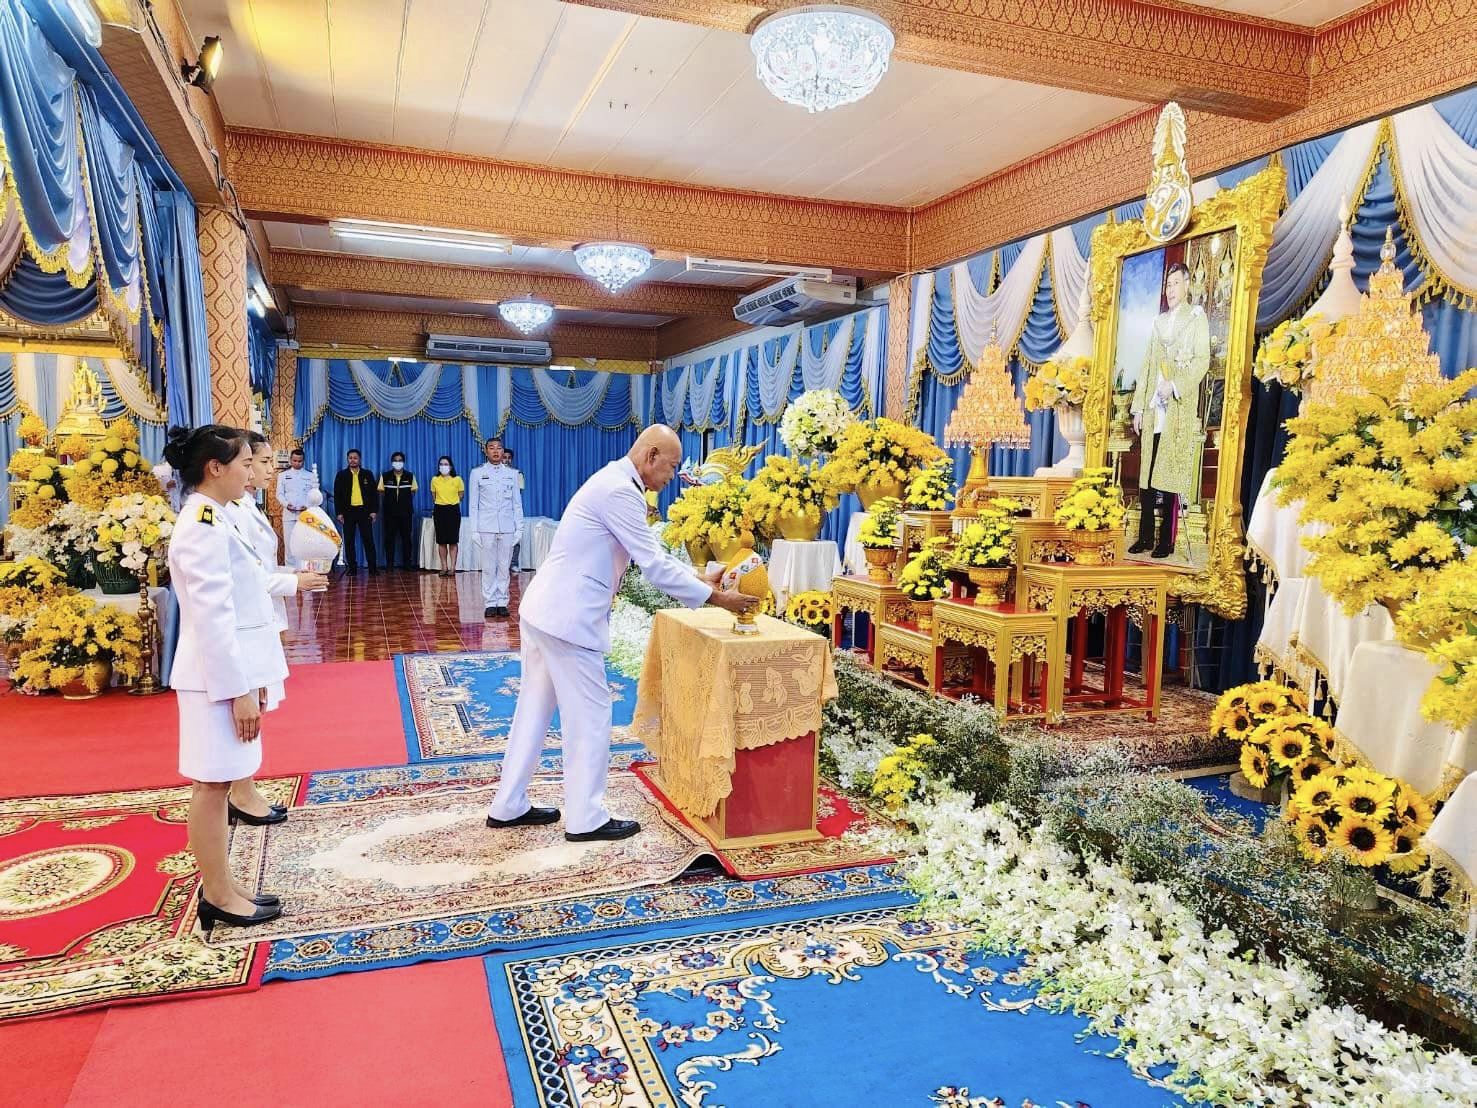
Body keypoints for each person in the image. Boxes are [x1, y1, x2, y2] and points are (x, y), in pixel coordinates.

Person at [486, 425, 757, 842]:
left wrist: (700, 576)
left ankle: (508, 804)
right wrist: (716, 598)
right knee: (591, 715)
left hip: (547, 610)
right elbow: (652, 564)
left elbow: (650, 554)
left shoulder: (613, 481)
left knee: (534, 709)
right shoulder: (620, 491)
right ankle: (585, 818)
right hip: (568, 618)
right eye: (670, 466)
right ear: (650, 456)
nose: (672, 476)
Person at [165, 426, 287, 927]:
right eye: (242, 464)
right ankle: (216, 893)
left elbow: (246, 600)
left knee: (217, 784)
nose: (250, 473)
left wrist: (253, 678)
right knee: (212, 787)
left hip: (230, 672)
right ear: (215, 468)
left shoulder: (218, 516)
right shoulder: (200, 525)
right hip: (213, 680)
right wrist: (238, 691)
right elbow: (214, 619)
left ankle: (225, 882)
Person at [226, 432, 329, 823]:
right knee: (246, 707)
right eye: (266, 461)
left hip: (263, 615)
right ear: (245, 465)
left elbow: (263, 568)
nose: (274, 469)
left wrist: (291, 573)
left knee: (258, 703)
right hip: (247, 620)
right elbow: (245, 578)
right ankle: (241, 792)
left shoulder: (248, 505)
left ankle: (244, 787)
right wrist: (293, 582)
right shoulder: (231, 511)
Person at [1130, 262, 1209, 559]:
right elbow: (1148, 365)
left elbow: (1202, 361)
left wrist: (1175, 384)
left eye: (1175, 283)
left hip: (1177, 408)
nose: (1171, 290)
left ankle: (1167, 540)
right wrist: (1138, 408)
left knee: (1172, 476)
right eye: (1168, 285)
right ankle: (1145, 537)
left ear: (1187, 284)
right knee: (1148, 476)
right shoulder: (1158, 322)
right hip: (1153, 409)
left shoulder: (1196, 319)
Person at [469, 438, 522, 618]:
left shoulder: (512, 474)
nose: (496, 451)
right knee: (488, 567)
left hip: (507, 526)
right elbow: (473, 505)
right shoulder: (477, 473)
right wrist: (474, 530)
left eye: (499, 448)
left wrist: (519, 529)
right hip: (486, 527)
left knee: (504, 566)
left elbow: (517, 504)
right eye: (492, 448)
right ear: (486, 451)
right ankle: (490, 602)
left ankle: (502, 601)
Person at [333, 448, 379, 575]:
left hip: (364, 512)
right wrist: (339, 513)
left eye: (355, 458)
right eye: (350, 458)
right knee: (349, 541)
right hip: (348, 512)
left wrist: (374, 511)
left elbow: (374, 494)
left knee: (368, 540)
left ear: (360, 459)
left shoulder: (367, 474)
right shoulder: (341, 475)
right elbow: (337, 495)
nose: (352, 460)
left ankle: (373, 568)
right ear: (347, 459)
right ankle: (352, 568)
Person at [275, 448, 317, 567]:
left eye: (300, 461)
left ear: (303, 461)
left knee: (304, 542)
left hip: (305, 514)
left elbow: (314, 494)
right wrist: (287, 505)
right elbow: (279, 494)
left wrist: (307, 505)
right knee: (289, 545)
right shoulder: (283, 475)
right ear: (290, 460)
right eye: (294, 460)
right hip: (289, 515)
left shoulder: (310, 475)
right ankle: (291, 572)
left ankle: (304, 569)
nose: (297, 463)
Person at [378, 450, 418, 570]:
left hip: (406, 513)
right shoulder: (385, 476)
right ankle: (389, 564)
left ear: (404, 462)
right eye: (395, 460)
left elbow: (413, 491)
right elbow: (381, 491)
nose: (398, 463)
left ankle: (407, 564)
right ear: (392, 462)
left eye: (400, 461)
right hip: (390, 513)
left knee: (406, 539)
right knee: (389, 538)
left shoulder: (410, 476)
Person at [430, 455, 464, 577]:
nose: (443, 466)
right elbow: (434, 496)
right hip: (439, 510)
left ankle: (453, 568)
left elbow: (461, 495)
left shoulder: (457, 479)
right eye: (441, 464)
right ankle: (444, 567)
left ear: (450, 466)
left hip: (453, 510)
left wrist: (451, 501)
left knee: (453, 541)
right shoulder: (435, 479)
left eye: (446, 464)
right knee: (442, 541)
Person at [504, 447, 525, 571]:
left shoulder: (517, 474)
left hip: (512, 510)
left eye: (508, 458)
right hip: (498, 511)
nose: (506, 460)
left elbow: (519, 492)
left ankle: (514, 563)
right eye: (504, 457)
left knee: (515, 538)